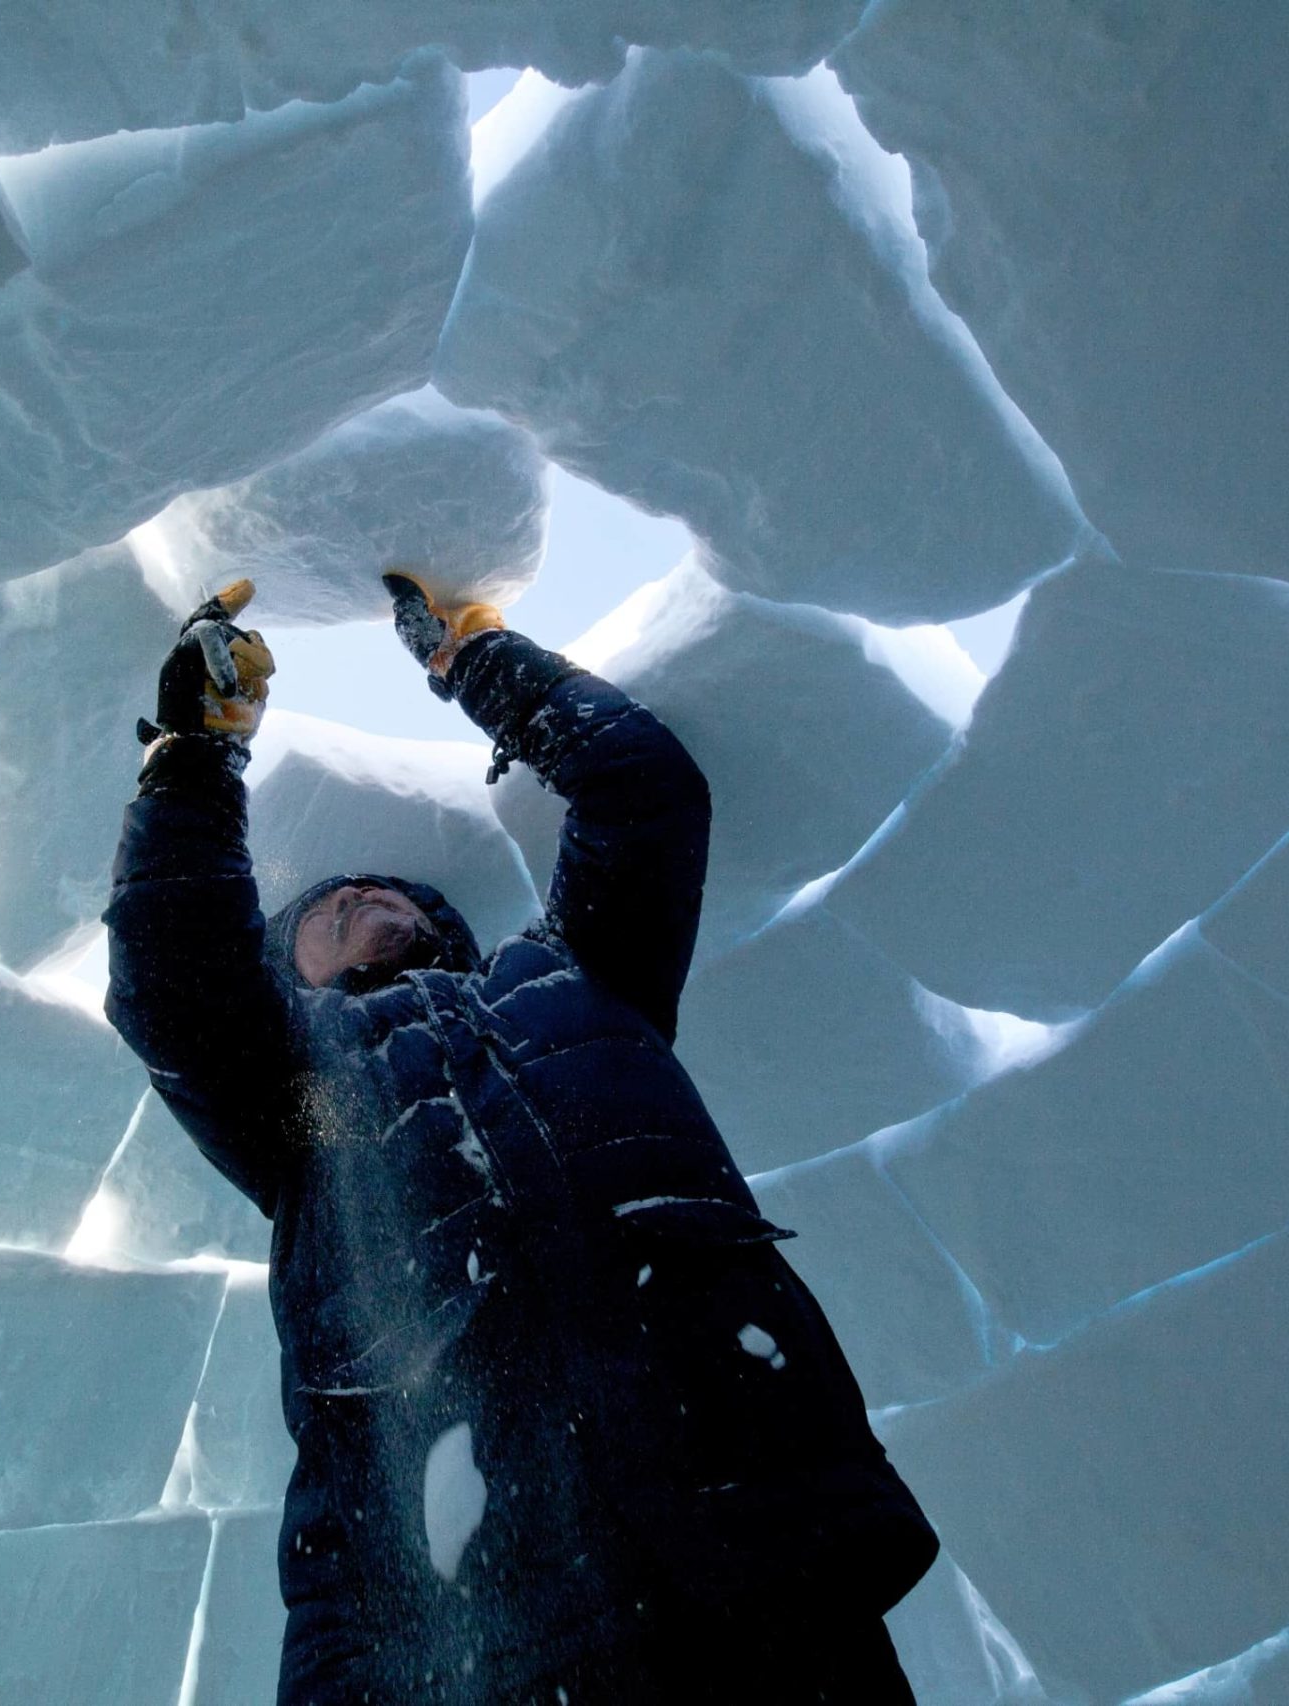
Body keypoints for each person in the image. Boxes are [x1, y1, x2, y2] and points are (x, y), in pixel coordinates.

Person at [104, 573, 937, 1704]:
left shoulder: (577, 977)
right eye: (319, 908)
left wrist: (474, 653)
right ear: (282, 980)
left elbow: (640, 794)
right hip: (465, 1621)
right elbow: (176, 988)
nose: (352, 892)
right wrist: (194, 754)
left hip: (748, 1540)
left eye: (375, 887)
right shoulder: (298, 1098)